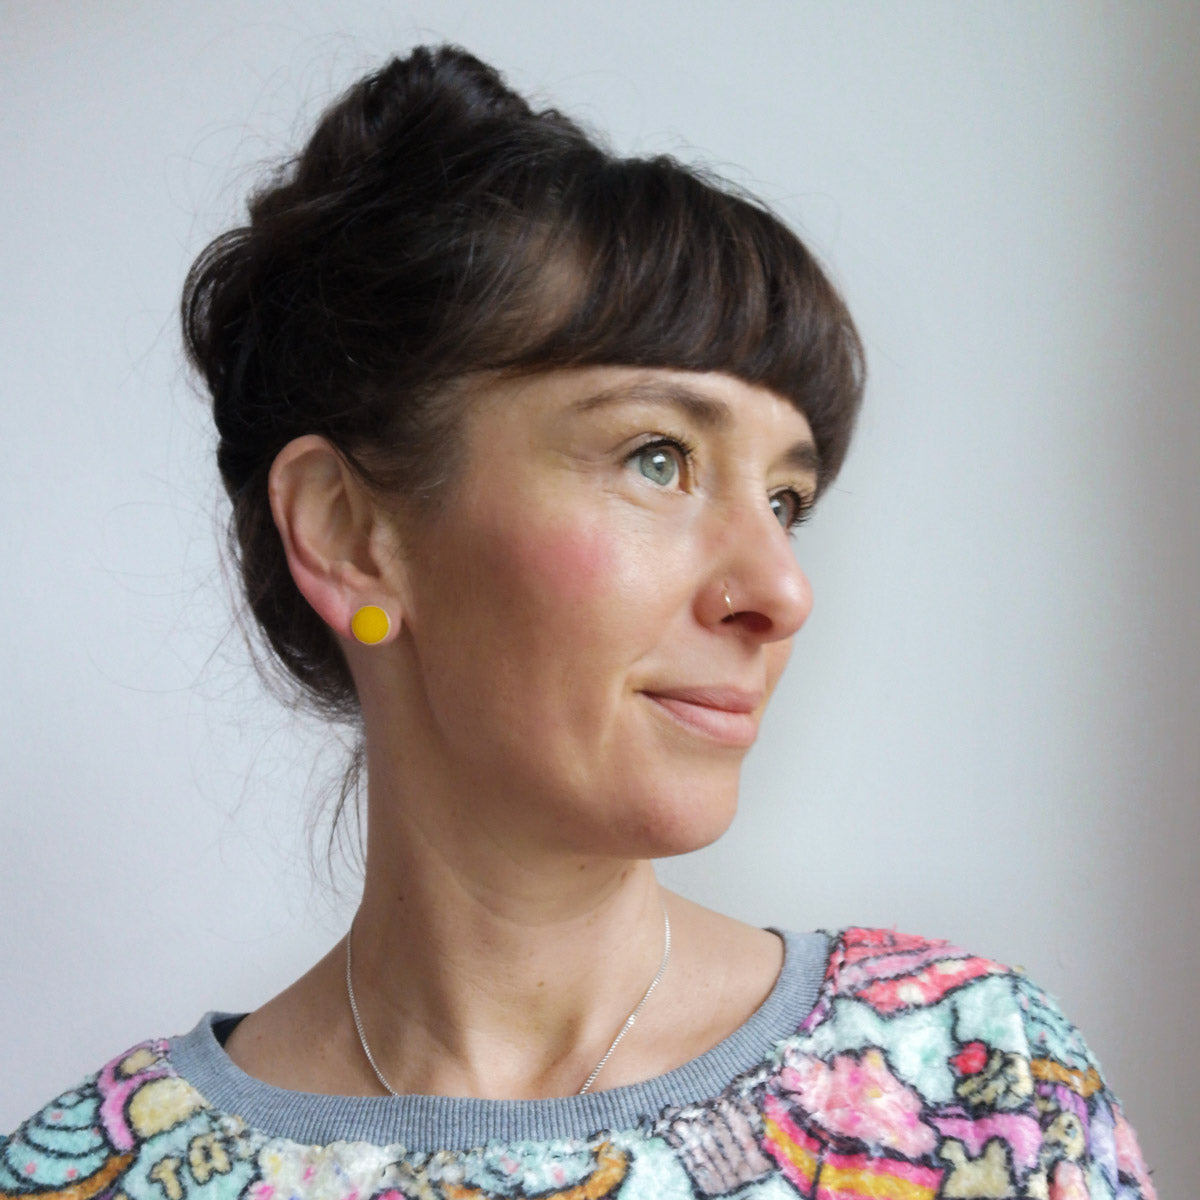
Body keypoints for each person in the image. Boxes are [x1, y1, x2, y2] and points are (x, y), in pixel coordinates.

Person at [2, 44, 1154, 1200]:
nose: (783, 591)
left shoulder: (976, 1089)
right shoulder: (100, 1175)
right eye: (659, 458)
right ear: (350, 533)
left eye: (786, 502)